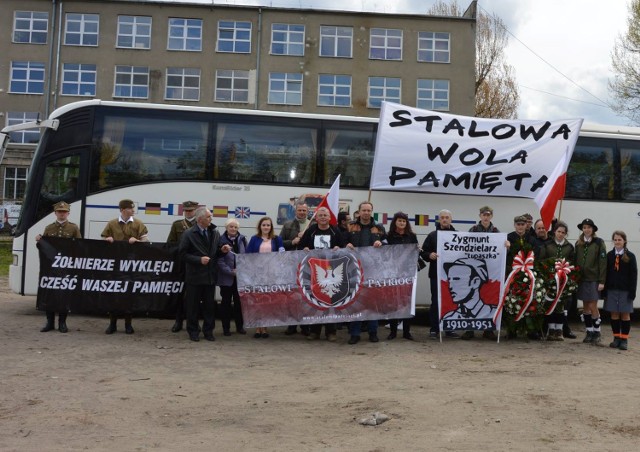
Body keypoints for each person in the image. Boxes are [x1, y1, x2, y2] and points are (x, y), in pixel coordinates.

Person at [179, 207, 230, 342]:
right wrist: (198, 260)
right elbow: (182, 254)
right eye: (208, 217)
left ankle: (208, 331)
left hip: (210, 276)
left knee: (209, 306)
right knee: (193, 306)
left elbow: (216, 252)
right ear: (200, 219)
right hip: (195, 277)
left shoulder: (214, 232)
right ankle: (193, 331)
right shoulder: (188, 234)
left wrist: (222, 250)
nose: (211, 219)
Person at [101, 199, 149, 334]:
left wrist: (138, 241)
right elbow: (102, 241)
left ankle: (128, 324)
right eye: (130, 208)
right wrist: (107, 240)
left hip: (131, 265)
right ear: (122, 210)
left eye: (133, 208)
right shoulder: (112, 224)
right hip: (115, 264)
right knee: (113, 294)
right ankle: (112, 324)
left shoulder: (138, 224)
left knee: (129, 294)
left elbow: (146, 242)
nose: (133, 210)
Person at [299, 206, 345, 342]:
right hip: (314, 271)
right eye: (320, 215)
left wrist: (339, 248)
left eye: (325, 215)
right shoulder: (311, 231)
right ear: (316, 218)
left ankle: (331, 331)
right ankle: (315, 331)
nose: (323, 217)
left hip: (331, 270)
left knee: (330, 300)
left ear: (329, 218)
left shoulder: (335, 231)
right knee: (316, 301)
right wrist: (305, 248)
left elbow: (343, 247)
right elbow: (301, 247)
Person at [35, 201, 82, 333]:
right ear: (55, 213)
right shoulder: (49, 228)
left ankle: (62, 323)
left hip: (66, 267)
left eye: (64, 212)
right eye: (59, 212)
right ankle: (50, 323)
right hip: (51, 268)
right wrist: (39, 240)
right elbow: (43, 248)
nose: (62, 214)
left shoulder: (73, 228)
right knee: (49, 293)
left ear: (68, 213)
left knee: (63, 295)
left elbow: (79, 246)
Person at [345, 201, 386, 344]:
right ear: (359, 211)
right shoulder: (350, 226)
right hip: (354, 268)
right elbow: (343, 242)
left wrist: (382, 244)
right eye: (364, 210)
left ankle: (373, 332)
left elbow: (388, 245)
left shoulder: (379, 228)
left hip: (373, 269)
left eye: (369, 210)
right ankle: (354, 333)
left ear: (372, 212)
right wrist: (346, 245)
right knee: (355, 301)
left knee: (372, 301)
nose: (366, 213)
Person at [421, 209, 459, 339]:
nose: (444, 219)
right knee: (436, 302)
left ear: (451, 219)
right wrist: (429, 255)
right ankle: (434, 329)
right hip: (436, 274)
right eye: (442, 217)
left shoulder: (458, 235)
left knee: (452, 301)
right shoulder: (432, 235)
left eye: (447, 217)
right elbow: (423, 252)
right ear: (439, 219)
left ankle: (449, 329)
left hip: (453, 276)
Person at [465, 205, 500, 340]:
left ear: (491, 216)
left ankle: (488, 329)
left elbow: (500, 251)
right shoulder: (473, 230)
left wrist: (506, 245)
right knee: (471, 297)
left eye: (488, 215)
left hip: (491, 270)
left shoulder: (496, 232)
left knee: (489, 298)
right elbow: (465, 246)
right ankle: (469, 329)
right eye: (484, 215)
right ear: (480, 216)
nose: (486, 217)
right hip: (474, 269)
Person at [246, 216, 285, 338]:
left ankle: (265, 328)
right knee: (257, 300)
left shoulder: (277, 239)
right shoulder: (254, 239)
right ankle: (258, 328)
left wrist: (282, 251)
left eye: (268, 225)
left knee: (268, 301)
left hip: (271, 274)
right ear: (260, 227)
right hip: (257, 274)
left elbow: (281, 254)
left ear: (271, 227)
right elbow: (248, 255)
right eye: (264, 225)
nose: (266, 227)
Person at [165, 200, 199, 333]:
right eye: (186, 210)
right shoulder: (177, 225)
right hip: (181, 264)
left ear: (195, 210)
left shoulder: (200, 224)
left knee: (195, 297)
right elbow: (170, 244)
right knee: (179, 294)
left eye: (191, 210)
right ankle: (178, 321)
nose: (188, 212)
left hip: (196, 265)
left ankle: (194, 322)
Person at [539, 221, 576, 340]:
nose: (560, 234)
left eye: (563, 232)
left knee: (561, 305)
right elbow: (542, 260)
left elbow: (572, 262)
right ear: (554, 231)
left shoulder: (569, 247)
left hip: (563, 280)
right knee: (551, 304)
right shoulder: (547, 245)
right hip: (550, 279)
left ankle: (559, 330)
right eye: (558, 231)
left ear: (566, 234)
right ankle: (551, 330)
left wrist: (565, 267)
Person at [280, 201, 310, 336]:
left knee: (306, 296)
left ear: (308, 212)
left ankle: (305, 325)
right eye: (300, 210)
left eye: (304, 210)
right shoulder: (287, 225)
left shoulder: (312, 225)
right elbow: (279, 243)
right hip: (291, 264)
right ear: (295, 211)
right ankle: (291, 325)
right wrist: (292, 242)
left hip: (308, 265)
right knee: (292, 296)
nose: (302, 213)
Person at [386, 211, 418, 341]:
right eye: (399, 221)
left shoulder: (412, 236)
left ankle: (406, 332)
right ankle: (393, 332)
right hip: (393, 273)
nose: (402, 223)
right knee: (394, 302)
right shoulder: (388, 236)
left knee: (407, 302)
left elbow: (416, 253)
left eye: (404, 221)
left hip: (408, 273)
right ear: (395, 222)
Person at [603, 231, 637, 350]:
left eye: (620, 240)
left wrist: (632, 291)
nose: (617, 242)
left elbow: (634, 275)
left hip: (625, 290)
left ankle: (624, 339)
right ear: (613, 241)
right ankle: (616, 337)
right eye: (615, 240)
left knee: (625, 314)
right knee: (614, 314)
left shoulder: (630, 256)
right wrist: (605, 290)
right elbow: (605, 273)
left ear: (624, 241)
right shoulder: (609, 255)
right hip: (612, 289)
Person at [575, 218, 607, 345]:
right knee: (585, 307)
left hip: (594, 279)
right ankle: (589, 331)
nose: (586, 230)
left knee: (593, 305)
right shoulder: (579, 243)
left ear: (593, 229)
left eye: (589, 227)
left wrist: (602, 280)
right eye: (584, 227)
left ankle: (597, 331)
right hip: (582, 279)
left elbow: (603, 262)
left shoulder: (599, 242)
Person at [442, 258, 497, 323]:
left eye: (456, 279)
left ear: (475, 282)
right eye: (449, 280)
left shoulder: (494, 313)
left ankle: (487, 332)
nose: (450, 286)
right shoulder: (449, 318)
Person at [218, 218, 248, 336]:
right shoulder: (220, 240)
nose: (233, 229)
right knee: (225, 303)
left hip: (239, 278)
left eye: (235, 227)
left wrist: (241, 270)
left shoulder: (243, 239)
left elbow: (246, 257)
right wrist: (231, 271)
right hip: (226, 278)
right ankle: (226, 328)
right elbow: (219, 260)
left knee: (239, 303)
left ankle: (239, 327)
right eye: (231, 226)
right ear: (226, 228)